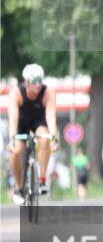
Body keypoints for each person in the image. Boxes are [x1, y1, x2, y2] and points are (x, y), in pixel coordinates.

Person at [7, 64, 59, 205]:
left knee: (44, 138)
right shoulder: (16, 93)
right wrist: (12, 138)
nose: (38, 84)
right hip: (21, 123)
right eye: (34, 81)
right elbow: (13, 119)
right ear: (27, 82)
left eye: (40, 80)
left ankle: (42, 180)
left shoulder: (48, 92)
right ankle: (18, 187)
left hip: (39, 121)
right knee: (17, 151)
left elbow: (50, 116)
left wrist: (54, 137)